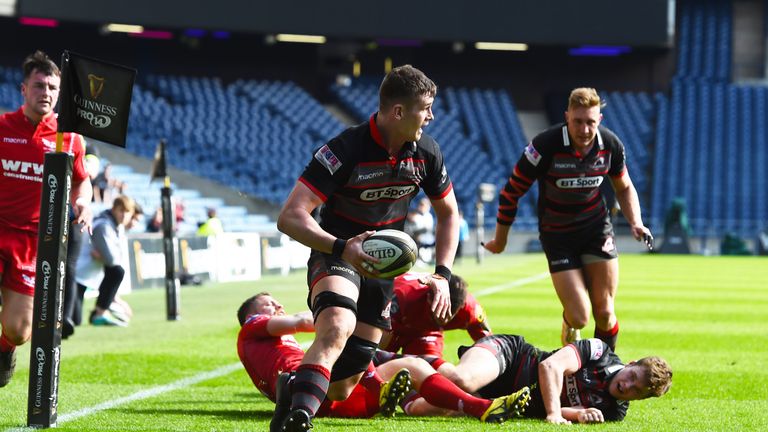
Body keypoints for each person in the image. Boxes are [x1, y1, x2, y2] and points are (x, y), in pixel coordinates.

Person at [275, 64, 460, 431]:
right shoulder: (344, 150)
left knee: (343, 386)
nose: (431, 116)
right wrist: (342, 248)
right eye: (425, 108)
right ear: (397, 112)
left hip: (383, 271)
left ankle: (293, 386)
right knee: (336, 327)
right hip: (337, 254)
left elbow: (449, 213)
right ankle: (301, 420)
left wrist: (442, 274)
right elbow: (291, 216)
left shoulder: (427, 153)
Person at [484, 87, 653, 351]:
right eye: (578, 121)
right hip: (558, 236)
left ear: (600, 121)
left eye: (590, 122)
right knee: (579, 316)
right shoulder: (544, 145)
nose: (584, 130)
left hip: (597, 230)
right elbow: (511, 192)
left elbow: (624, 186)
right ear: (566, 117)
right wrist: (500, 240)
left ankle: (600, 371)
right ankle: (568, 324)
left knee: (606, 312)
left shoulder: (610, 145)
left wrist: (636, 222)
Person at [237, 293, 530, 427]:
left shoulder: (269, 345)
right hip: (311, 390)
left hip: (329, 399)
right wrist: (343, 315)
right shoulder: (253, 325)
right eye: (268, 302)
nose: (277, 304)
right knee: (352, 342)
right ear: (253, 313)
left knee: (413, 366)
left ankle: (477, 407)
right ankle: (478, 406)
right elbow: (303, 320)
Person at [0, 50, 93, 387]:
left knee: (20, 330)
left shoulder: (68, 137)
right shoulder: (2, 128)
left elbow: (82, 181)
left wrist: (83, 203)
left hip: (34, 242)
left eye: (53, 87)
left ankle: (4, 348)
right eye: (39, 86)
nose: (47, 93)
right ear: (24, 89)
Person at [414, 334, 672, 424]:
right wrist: (554, 414)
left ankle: (396, 378)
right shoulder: (599, 351)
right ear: (631, 363)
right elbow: (550, 366)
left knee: (421, 408)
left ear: (640, 399)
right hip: (511, 358)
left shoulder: (614, 411)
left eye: (636, 391)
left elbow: (567, 411)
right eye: (632, 376)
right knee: (462, 380)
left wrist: (579, 415)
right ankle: (410, 358)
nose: (627, 386)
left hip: (503, 400)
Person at [379, 272, 491, 360]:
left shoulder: (470, 310)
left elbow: (489, 345)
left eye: (450, 314)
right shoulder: (401, 298)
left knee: (429, 370)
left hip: (427, 331)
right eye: (440, 309)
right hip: (393, 325)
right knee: (379, 363)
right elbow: (376, 344)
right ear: (429, 298)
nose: (444, 318)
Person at [83, 195, 137, 326]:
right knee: (117, 271)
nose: (124, 215)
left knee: (116, 271)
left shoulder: (114, 225)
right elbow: (112, 260)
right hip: (79, 270)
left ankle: (102, 310)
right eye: (121, 211)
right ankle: (100, 312)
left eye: (127, 212)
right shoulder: (105, 225)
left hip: (86, 271)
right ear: (114, 209)